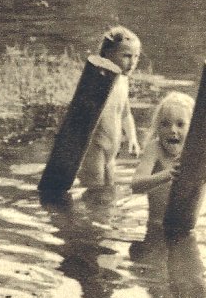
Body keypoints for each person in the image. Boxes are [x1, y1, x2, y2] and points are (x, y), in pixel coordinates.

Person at [78, 25, 141, 188]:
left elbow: (126, 113)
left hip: (112, 148)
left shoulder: (123, 81)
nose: (132, 62)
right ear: (107, 53)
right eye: (126, 56)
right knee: (95, 187)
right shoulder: (99, 80)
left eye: (136, 57)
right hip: (95, 146)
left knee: (109, 187)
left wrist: (132, 138)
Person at [130, 91, 196, 232]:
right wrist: (167, 174)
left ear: (192, 129)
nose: (172, 130)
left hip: (185, 228)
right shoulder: (155, 149)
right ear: (157, 127)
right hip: (157, 227)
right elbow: (135, 185)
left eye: (180, 124)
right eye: (165, 124)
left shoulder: (195, 152)